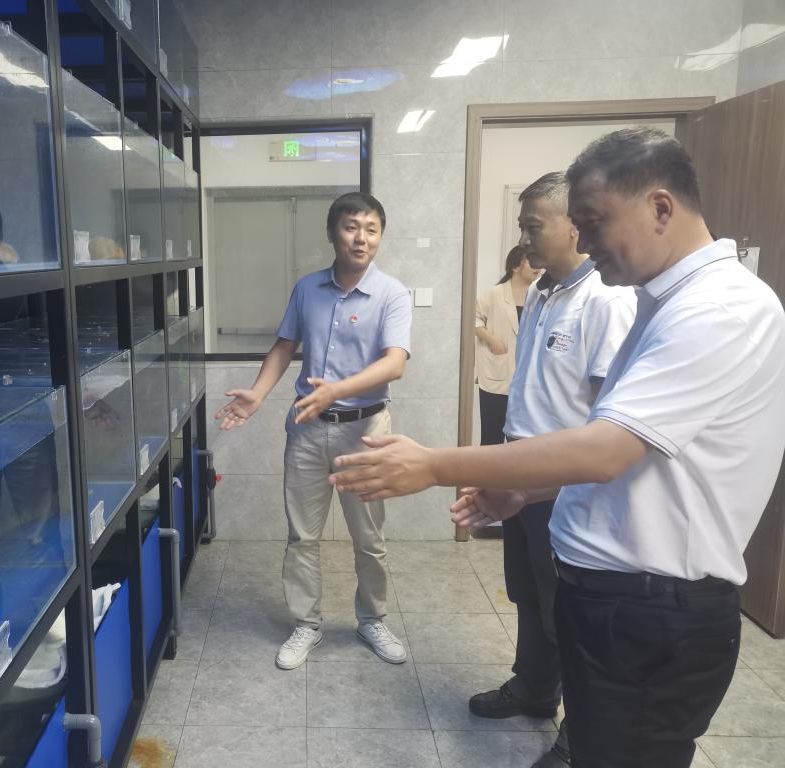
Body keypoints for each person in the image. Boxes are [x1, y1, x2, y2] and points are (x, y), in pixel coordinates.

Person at [328, 128, 785, 768]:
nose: (586, 242)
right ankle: (544, 696)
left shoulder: (718, 309)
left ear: (660, 207)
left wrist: (433, 464)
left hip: (654, 607)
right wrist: (528, 488)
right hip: (615, 594)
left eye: (593, 223)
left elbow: (607, 449)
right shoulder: (657, 301)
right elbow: (642, 456)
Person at [473, 173, 635, 768]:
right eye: (523, 226)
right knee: (527, 592)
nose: (524, 238)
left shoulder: (606, 300)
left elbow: (609, 415)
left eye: (532, 226)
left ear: (574, 226)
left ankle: (579, 734)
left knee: (566, 608)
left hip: (566, 486)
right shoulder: (543, 292)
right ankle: (536, 689)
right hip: (524, 475)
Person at [214, 191, 412, 670]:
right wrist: (258, 394)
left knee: (369, 539)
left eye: (371, 229)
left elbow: (395, 363)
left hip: (366, 431)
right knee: (302, 537)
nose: (361, 238)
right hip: (307, 429)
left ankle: (371, 619)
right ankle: (306, 624)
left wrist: (336, 390)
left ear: (380, 236)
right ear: (332, 232)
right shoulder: (307, 289)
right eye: (351, 227)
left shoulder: (392, 294)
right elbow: (285, 347)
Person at [474, 244, 538, 447]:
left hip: (528, 380)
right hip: (496, 378)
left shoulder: (540, 294)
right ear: (516, 266)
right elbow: (472, 317)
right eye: (532, 261)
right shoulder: (495, 294)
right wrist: (492, 340)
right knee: (491, 438)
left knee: (520, 440)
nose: (538, 266)